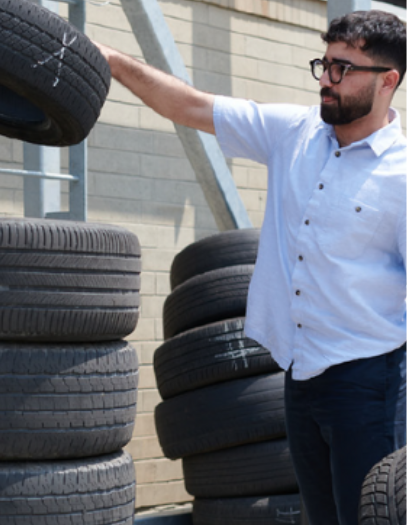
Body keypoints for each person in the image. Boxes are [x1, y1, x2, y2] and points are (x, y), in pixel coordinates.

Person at [97, 11, 403, 525]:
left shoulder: (401, 176)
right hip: (300, 375)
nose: (326, 81)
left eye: (342, 70)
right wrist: (110, 61)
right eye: (324, 65)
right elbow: (188, 105)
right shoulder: (294, 133)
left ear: (388, 80)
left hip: (369, 384)